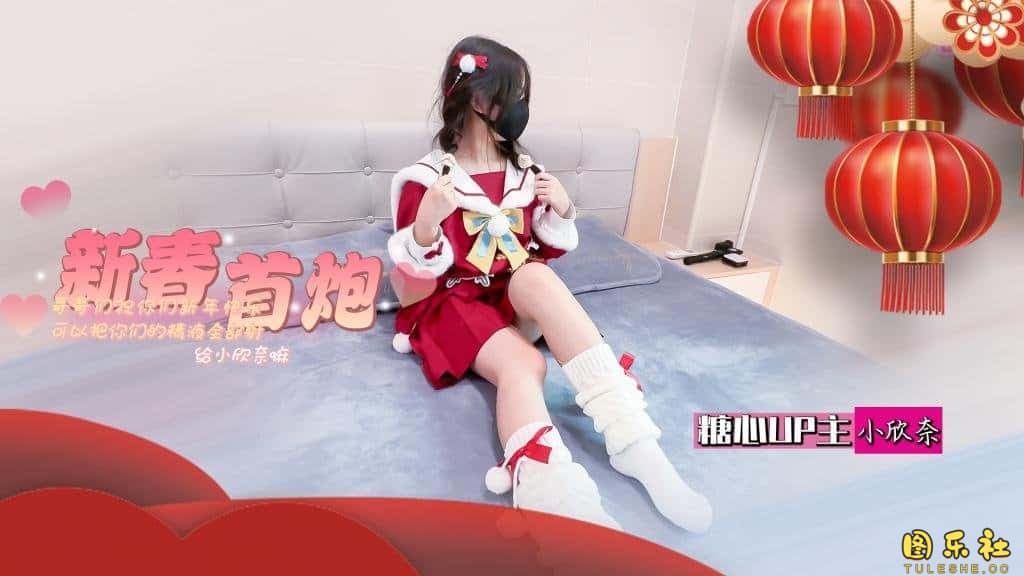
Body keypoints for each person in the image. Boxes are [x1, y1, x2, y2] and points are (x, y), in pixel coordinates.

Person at [388, 35, 711, 532]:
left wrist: (560, 207)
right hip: (452, 302)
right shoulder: (428, 179)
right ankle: (558, 501)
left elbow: (541, 247)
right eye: (513, 94)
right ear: (479, 98)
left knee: (536, 274)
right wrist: (428, 222)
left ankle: (635, 443)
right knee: (526, 364)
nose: (521, 106)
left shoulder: (525, 171)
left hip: (509, 293)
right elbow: (413, 277)